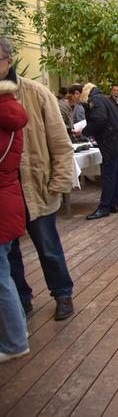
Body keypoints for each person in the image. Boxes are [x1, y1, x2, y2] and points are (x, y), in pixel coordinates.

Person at [1, 37, 76, 321]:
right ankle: (22, 299)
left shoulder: (35, 93)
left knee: (48, 246)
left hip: (36, 189)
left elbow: (60, 144)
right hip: (4, 193)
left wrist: (56, 185)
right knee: (10, 253)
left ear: (8, 62)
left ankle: (62, 293)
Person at [0, 79, 30, 363]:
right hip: (8, 200)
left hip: (3, 203)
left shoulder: (6, 112)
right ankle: (16, 334)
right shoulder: (10, 110)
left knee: (1, 278)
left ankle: (14, 341)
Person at [80, 82, 118, 220]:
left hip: (110, 142)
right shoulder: (104, 98)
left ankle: (104, 207)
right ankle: (113, 204)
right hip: (117, 140)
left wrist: (85, 131)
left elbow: (99, 119)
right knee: (116, 173)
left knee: (108, 174)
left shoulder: (96, 100)